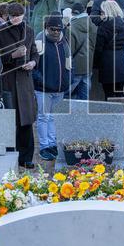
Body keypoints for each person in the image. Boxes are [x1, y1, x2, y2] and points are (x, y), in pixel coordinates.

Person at [0, 2, 38, 168]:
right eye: (13, 16)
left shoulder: (29, 31)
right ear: (7, 16)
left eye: (19, 16)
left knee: (26, 121)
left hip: (25, 81)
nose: (16, 19)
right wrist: (12, 55)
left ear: (23, 15)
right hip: (7, 81)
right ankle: (10, 157)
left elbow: (35, 53)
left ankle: (26, 158)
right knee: (10, 121)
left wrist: (33, 62)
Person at [33, 13, 72, 162]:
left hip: (59, 87)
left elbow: (68, 64)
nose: (56, 32)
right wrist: (41, 81)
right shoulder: (39, 41)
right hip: (43, 88)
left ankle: (52, 143)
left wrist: (67, 81)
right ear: (46, 28)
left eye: (58, 29)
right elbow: (34, 66)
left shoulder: (64, 41)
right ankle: (44, 146)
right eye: (52, 29)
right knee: (43, 117)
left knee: (55, 118)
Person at [94, 0, 124, 99]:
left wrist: (95, 65)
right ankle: (121, 114)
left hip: (107, 65)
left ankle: (111, 114)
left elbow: (98, 48)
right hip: (122, 64)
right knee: (120, 93)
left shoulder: (103, 27)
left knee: (108, 95)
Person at [67, 10, 96, 101]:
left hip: (75, 67)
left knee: (66, 95)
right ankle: (83, 114)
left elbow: (69, 51)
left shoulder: (71, 28)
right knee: (84, 96)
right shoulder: (93, 26)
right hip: (88, 66)